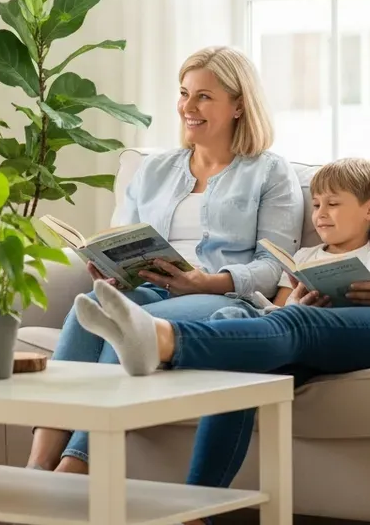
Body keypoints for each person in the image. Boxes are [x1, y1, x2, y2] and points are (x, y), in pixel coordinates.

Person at [72, 86, 370, 525]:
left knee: (302, 325)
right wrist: (310, 290)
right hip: (369, 316)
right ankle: (196, 513)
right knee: (242, 351)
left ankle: (161, 338)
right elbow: (367, 276)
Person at [24, 46, 304, 477]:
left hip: (220, 298)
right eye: (183, 93)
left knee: (123, 321)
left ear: (238, 104)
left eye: (203, 97)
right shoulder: (153, 170)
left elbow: (275, 266)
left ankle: (75, 469)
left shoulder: (269, 172)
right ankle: (37, 468)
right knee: (89, 311)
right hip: (147, 289)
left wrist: (205, 282)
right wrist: (108, 267)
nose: (187, 107)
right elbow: (120, 236)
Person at [212, 157, 370, 317]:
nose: (320, 214)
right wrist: (295, 306)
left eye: (332, 204)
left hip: (333, 331)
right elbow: (281, 306)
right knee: (232, 312)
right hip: (288, 321)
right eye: (316, 205)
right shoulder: (303, 257)